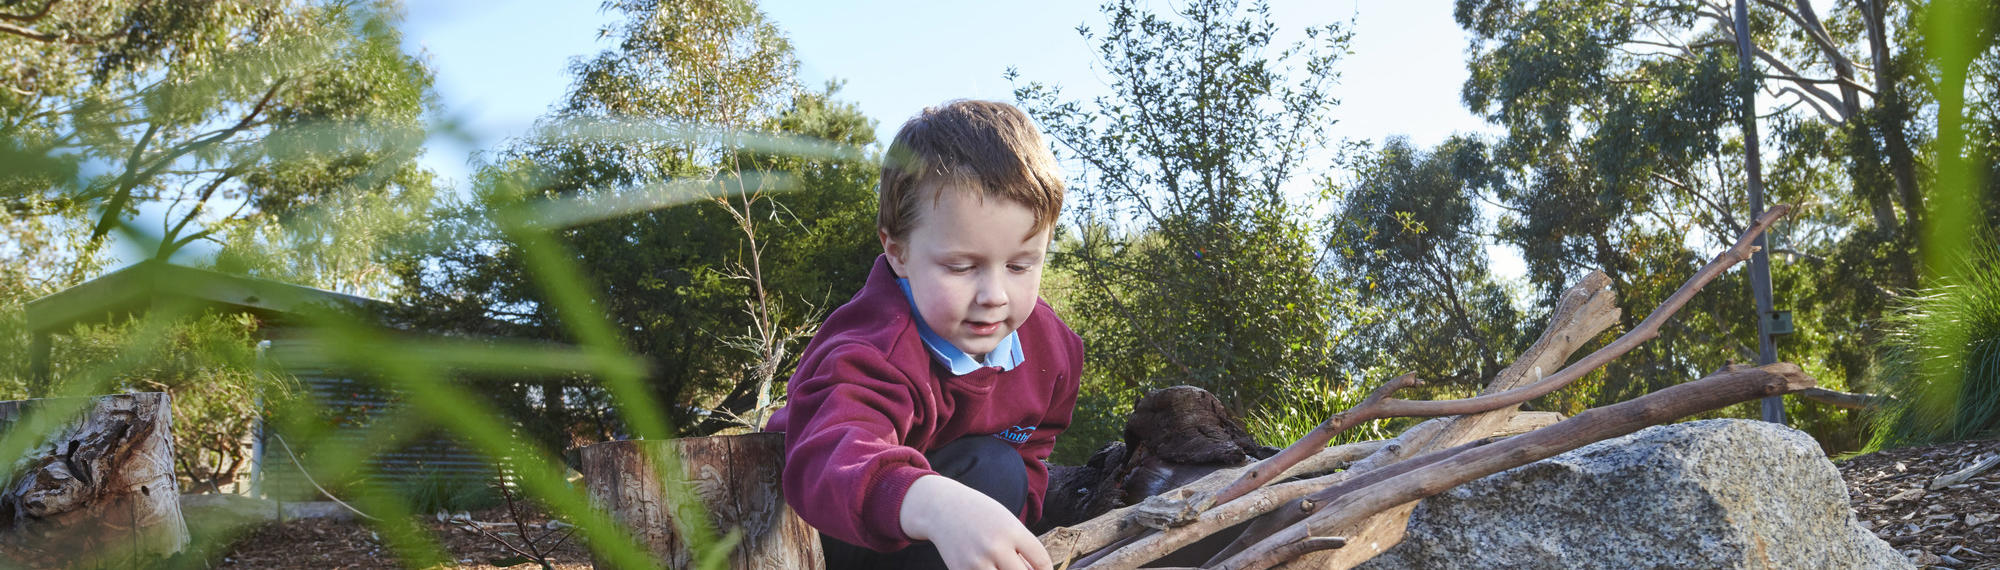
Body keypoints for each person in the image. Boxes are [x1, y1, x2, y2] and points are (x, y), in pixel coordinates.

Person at [765, 99, 1082, 570]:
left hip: (944, 503)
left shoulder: (1053, 351)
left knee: (1001, 469)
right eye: (960, 266)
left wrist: (1021, 511)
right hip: (829, 517)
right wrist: (934, 504)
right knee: (988, 473)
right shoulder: (870, 348)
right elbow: (833, 456)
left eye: (1020, 265)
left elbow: (1035, 442)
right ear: (897, 252)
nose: (994, 295)